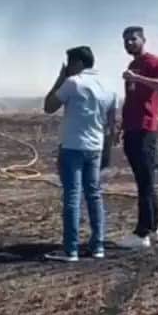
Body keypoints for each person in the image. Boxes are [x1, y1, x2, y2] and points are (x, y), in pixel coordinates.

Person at [42, 46, 117, 263]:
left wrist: (60, 78)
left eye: (70, 63)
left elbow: (49, 106)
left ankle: (71, 249)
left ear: (78, 63)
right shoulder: (108, 85)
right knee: (94, 194)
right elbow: (112, 123)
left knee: (72, 196)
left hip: (73, 147)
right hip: (96, 147)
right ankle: (98, 245)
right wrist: (107, 149)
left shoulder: (73, 83)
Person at [117, 26, 158, 249]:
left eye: (133, 39)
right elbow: (131, 100)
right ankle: (154, 227)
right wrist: (122, 126)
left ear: (143, 40)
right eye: (126, 40)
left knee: (145, 181)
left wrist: (138, 78)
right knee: (144, 180)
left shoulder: (153, 62)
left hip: (145, 128)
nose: (129, 43)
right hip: (132, 128)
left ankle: (142, 233)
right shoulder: (133, 65)